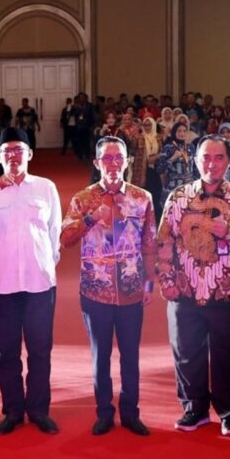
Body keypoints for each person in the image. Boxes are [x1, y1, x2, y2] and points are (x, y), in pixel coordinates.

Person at [158, 135, 230, 436]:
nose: (211, 164)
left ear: (228, 162)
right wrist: (166, 279)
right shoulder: (178, 196)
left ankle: (229, 412)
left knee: (228, 353)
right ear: (195, 160)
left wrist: (228, 231)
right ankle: (194, 409)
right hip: (185, 290)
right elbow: (164, 240)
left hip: (227, 290)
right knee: (187, 352)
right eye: (205, 157)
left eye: (218, 158)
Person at [0, 128, 62, 435]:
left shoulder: (45, 187)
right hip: (4, 283)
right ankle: (12, 410)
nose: (13, 156)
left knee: (40, 350)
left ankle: (38, 410)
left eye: (18, 150)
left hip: (39, 283)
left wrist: (47, 263)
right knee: (6, 352)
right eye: (7, 151)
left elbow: (53, 231)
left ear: (29, 154)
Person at [61, 136, 156, 436]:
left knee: (131, 355)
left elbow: (149, 242)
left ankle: (131, 412)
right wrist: (90, 219)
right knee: (100, 356)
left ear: (127, 161)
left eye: (119, 158)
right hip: (95, 290)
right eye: (107, 159)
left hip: (130, 289)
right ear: (97, 163)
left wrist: (150, 280)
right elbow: (65, 240)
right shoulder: (82, 199)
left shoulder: (142, 198)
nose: (113, 164)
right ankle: (104, 412)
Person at [156, 123, 196, 210]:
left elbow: (197, 168)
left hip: (189, 189)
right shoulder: (168, 147)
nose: (182, 133)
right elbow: (159, 168)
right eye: (179, 131)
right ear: (174, 133)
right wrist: (173, 158)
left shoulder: (191, 147)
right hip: (172, 188)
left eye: (184, 131)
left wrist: (195, 180)